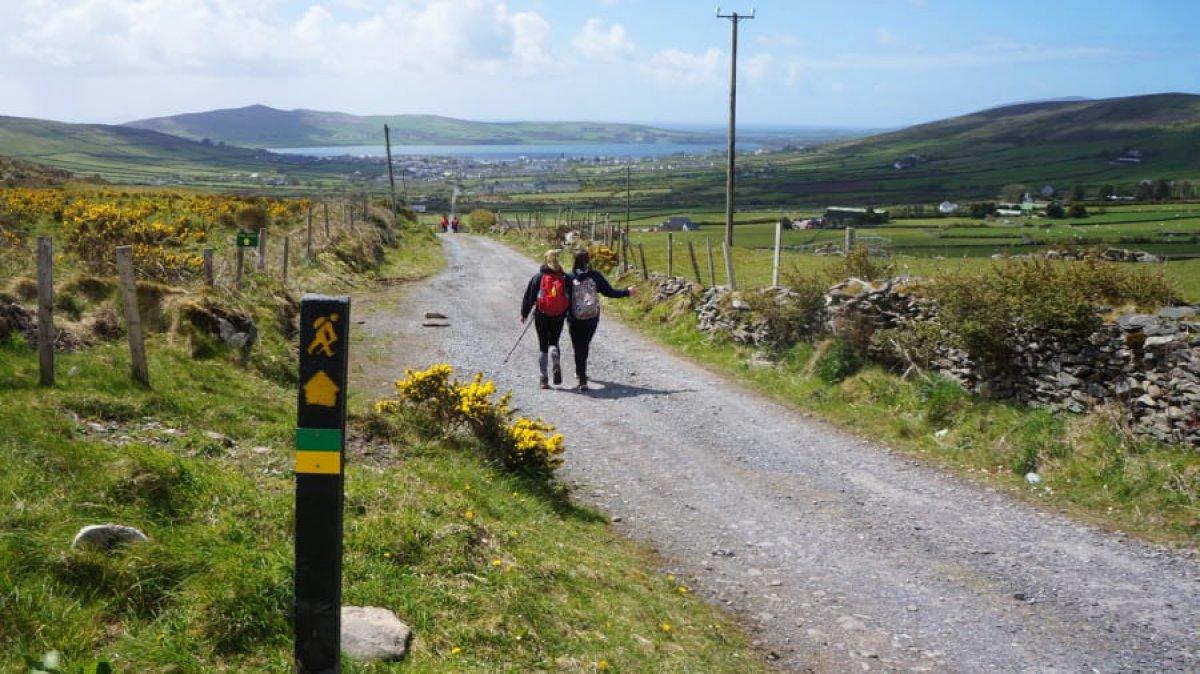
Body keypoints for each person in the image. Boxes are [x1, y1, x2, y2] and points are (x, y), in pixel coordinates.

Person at [567, 250, 637, 391]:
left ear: (574, 260)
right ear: (589, 259)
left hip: (574, 318)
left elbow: (563, 298)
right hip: (592, 317)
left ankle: (581, 378)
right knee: (585, 346)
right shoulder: (595, 276)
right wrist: (627, 292)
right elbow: (609, 292)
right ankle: (581, 375)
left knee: (577, 346)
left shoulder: (569, 277)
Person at [520, 250, 571, 389]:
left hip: (541, 315)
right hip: (559, 315)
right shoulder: (565, 278)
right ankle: (554, 354)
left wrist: (524, 313)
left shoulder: (538, 277)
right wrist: (568, 313)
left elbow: (529, 296)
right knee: (554, 341)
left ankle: (544, 379)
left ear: (545, 260)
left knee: (543, 346)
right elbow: (570, 297)